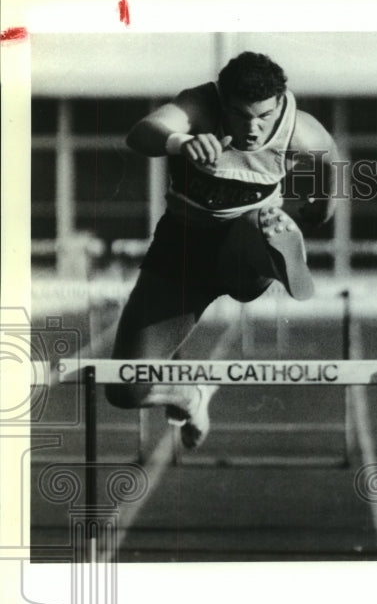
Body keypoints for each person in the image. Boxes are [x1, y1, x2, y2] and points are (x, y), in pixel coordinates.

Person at [107, 51, 342, 449]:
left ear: (280, 103)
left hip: (240, 246)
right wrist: (180, 142)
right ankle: (191, 396)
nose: (252, 129)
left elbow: (328, 160)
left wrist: (322, 207)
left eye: (263, 116)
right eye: (240, 115)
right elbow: (141, 133)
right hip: (180, 250)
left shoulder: (301, 130)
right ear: (222, 102)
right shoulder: (199, 105)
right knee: (125, 387)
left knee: (256, 224)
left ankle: (275, 247)